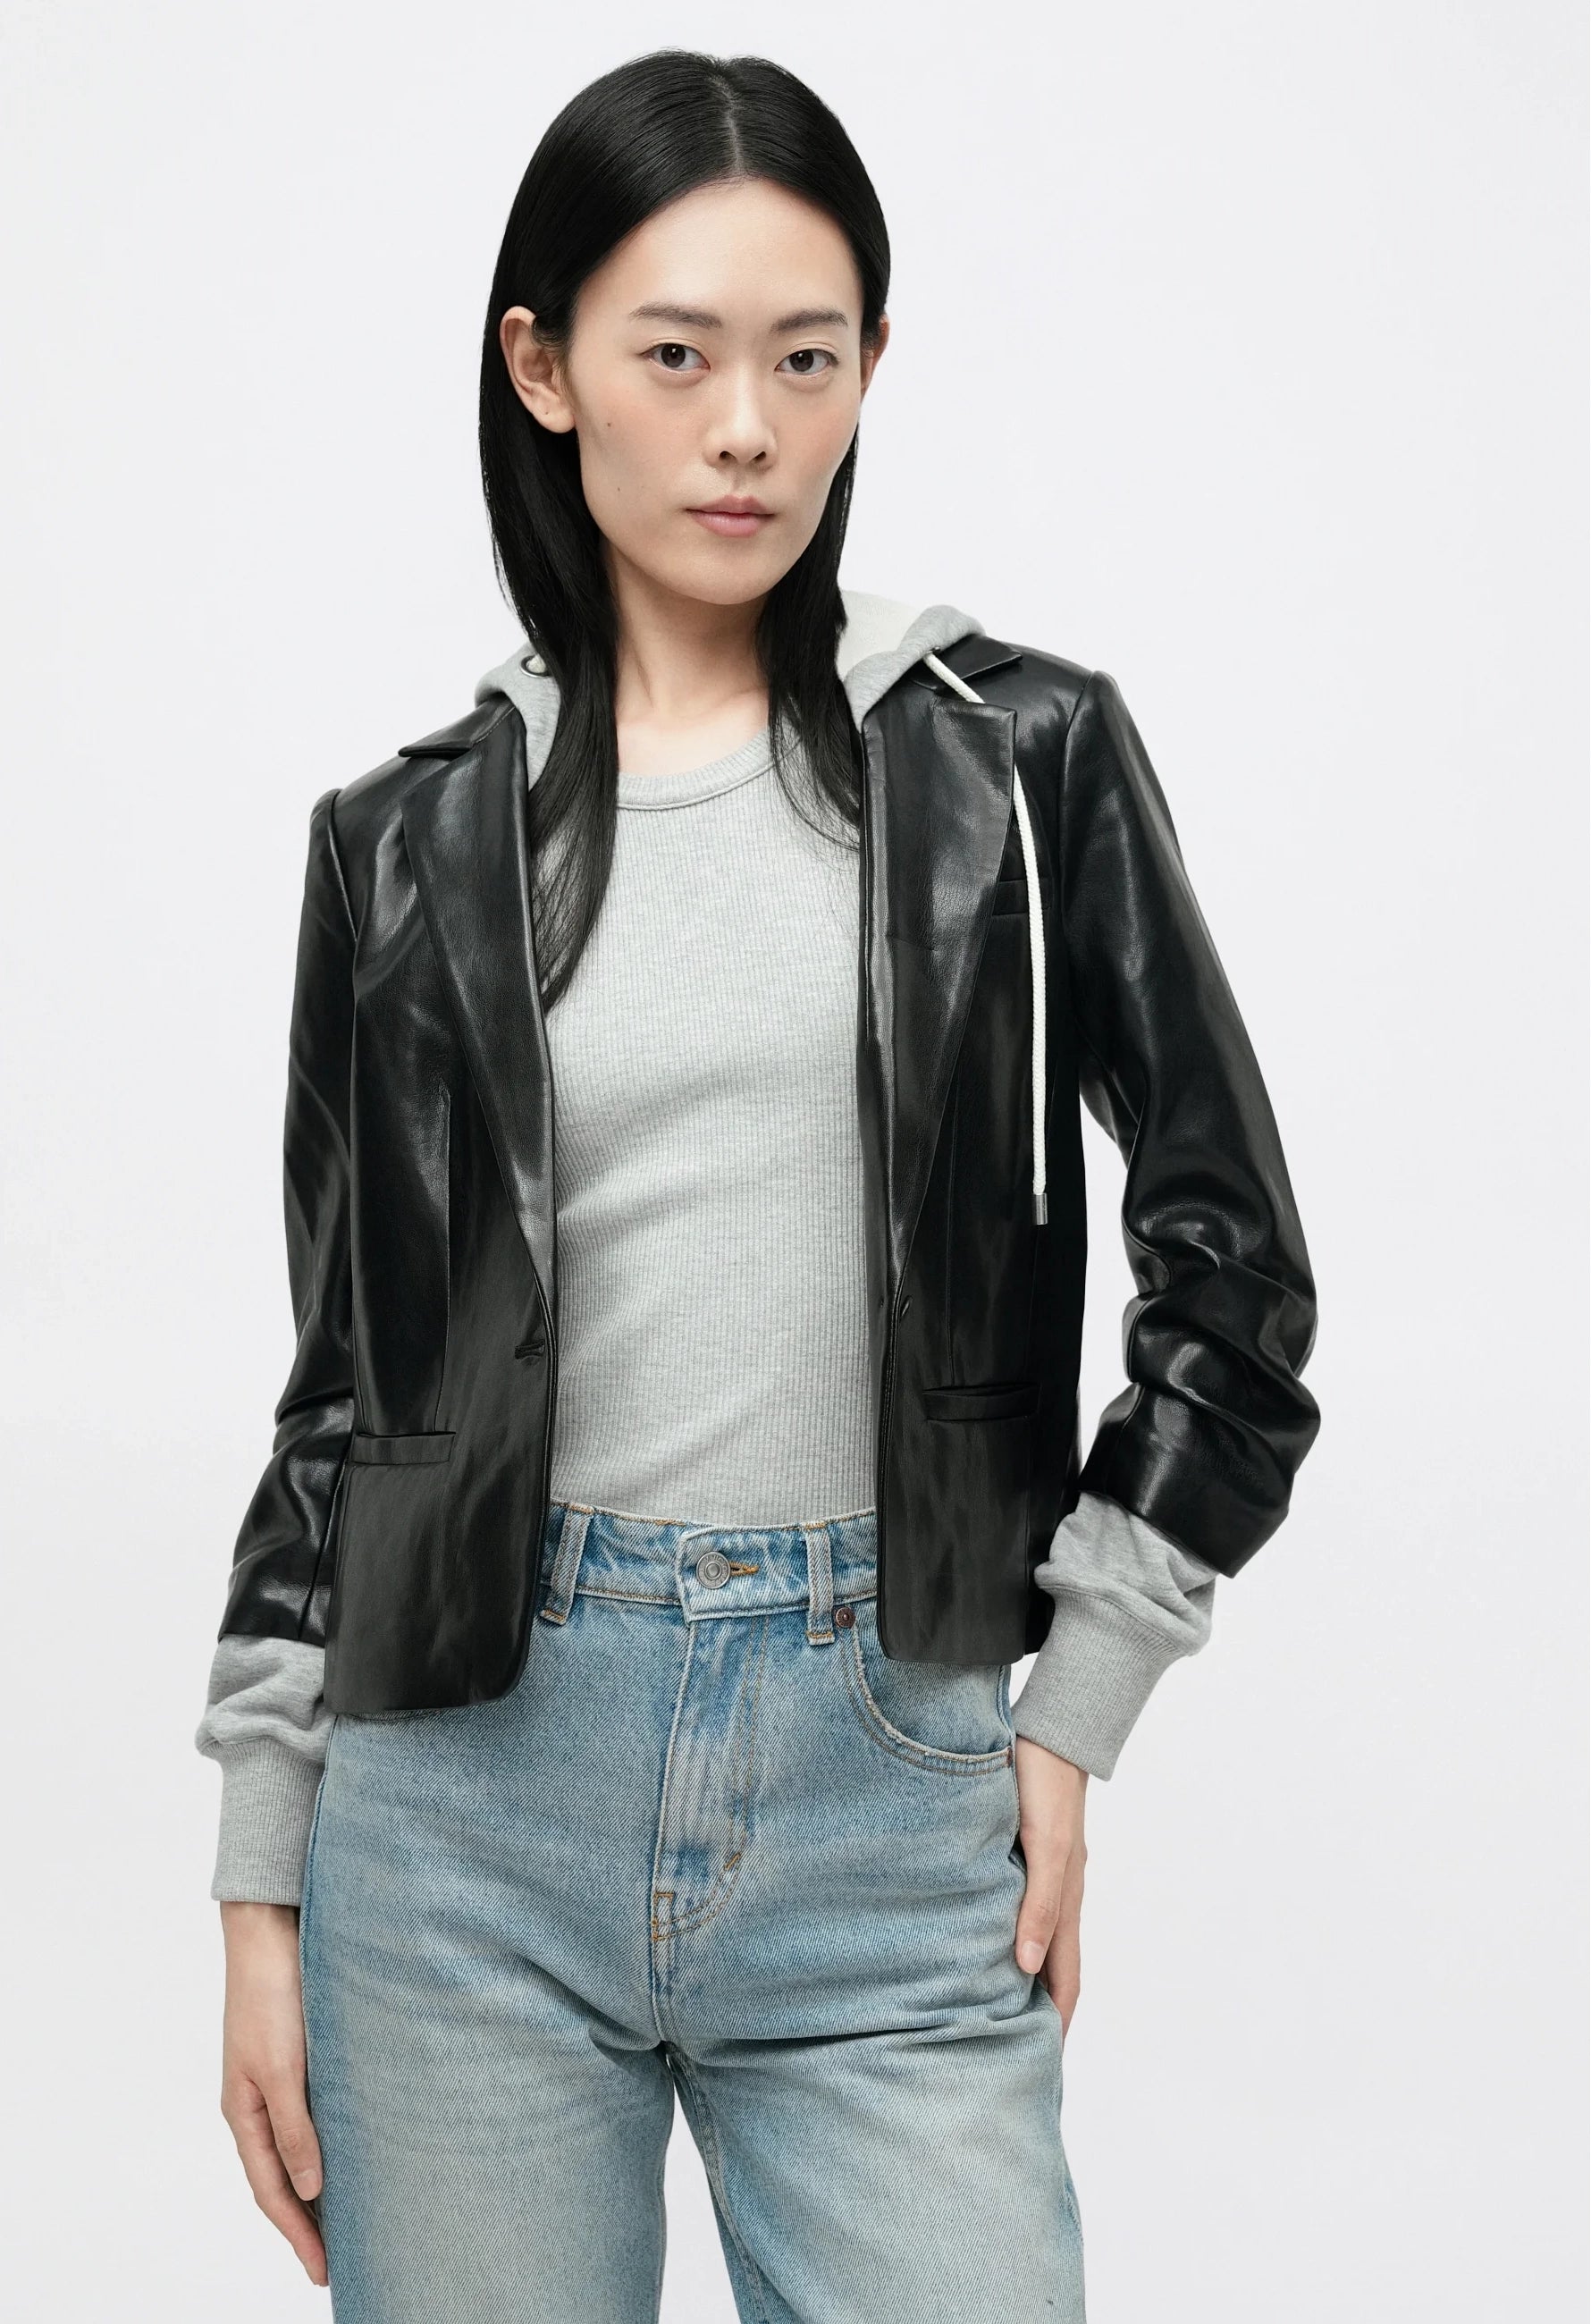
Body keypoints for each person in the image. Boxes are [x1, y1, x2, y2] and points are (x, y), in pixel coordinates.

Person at [194, 47, 1319, 2322]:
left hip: (887, 1773)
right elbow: (345, 1401)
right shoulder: (397, 849)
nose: (744, 430)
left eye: (805, 360)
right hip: (460, 1810)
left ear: (869, 368)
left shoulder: (1018, 760)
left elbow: (1234, 1280)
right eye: (675, 356)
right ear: (541, 369)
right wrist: (258, 1881)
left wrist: (1070, 1707)